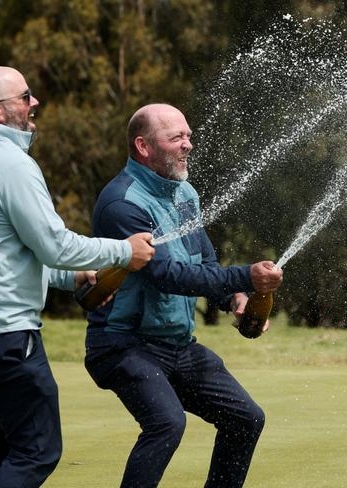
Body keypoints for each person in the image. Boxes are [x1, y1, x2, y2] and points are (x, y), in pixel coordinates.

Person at [0, 66, 156, 488]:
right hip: (7, 334)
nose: (35, 102)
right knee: (37, 451)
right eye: (26, 96)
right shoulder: (9, 162)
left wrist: (68, 278)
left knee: (5, 439)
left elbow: (3, 249)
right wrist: (123, 250)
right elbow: (54, 244)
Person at [84, 103, 283, 488]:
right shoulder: (121, 203)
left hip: (176, 346)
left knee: (246, 419)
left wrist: (236, 298)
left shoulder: (184, 193)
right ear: (143, 146)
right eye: (176, 137)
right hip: (122, 346)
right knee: (166, 424)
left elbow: (203, 259)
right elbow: (165, 276)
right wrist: (245, 275)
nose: (188, 145)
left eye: (188, 135)